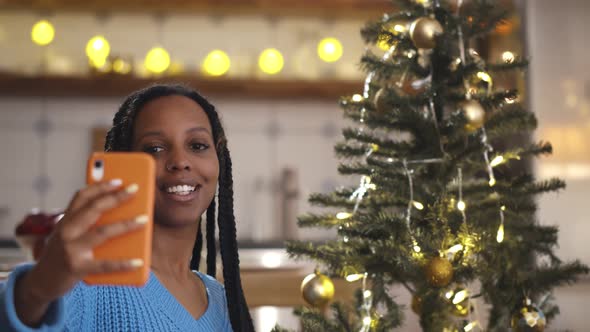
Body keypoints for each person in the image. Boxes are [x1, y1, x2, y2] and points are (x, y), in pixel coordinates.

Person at [0, 84, 255, 331]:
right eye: (154, 148)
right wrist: (36, 290)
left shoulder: (224, 301)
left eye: (197, 145)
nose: (180, 161)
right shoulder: (82, 280)